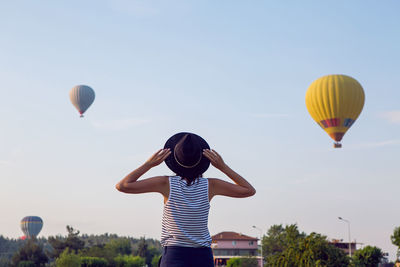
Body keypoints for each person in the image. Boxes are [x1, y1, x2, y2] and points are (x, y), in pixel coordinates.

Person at [116, 132, 256, 267]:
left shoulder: (166, 183)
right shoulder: (211, 185)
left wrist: (149, 164)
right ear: (202, 161)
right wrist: (223, 167)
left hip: (174, 255)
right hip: (203, 256)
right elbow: (249, 190)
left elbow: (122, 185)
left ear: (175, 162)